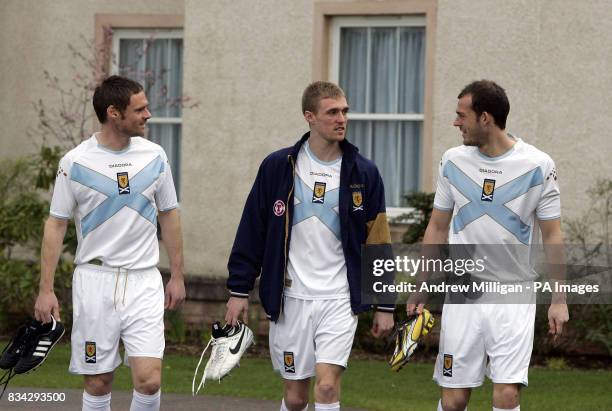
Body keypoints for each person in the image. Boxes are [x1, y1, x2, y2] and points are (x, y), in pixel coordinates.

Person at [225, 81, 395, 411]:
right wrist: (238, 289)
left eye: (345, 111)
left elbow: (379, 241)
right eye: (332, 112)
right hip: (291, 300)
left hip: (339, 299)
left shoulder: (365, 173)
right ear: (310, 117)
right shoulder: (278, 167)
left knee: (328, 388)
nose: (341, 118)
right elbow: (252, 230)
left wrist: (385, 303)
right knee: (295, 397)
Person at [408, 80, 569, 411]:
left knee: (507, 395)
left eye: (460, 115)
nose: (455, 123)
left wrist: (559, 299)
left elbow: (552, 234)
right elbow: (437, 227)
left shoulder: (539, 165)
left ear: (485, 118)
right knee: (453, 399)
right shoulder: (453, 161)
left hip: (514, 296)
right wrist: (421, 288)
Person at [34, 75, 185, 411]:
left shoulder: (155, 156)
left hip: (144, 281)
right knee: (99, 382)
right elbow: (56, 224)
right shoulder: (74, 162)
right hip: (95, 282)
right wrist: (46, 289)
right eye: (140, 109)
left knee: (150, 380)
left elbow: (170, 214)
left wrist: (176, 275)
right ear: (114, 113)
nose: (149, 114)